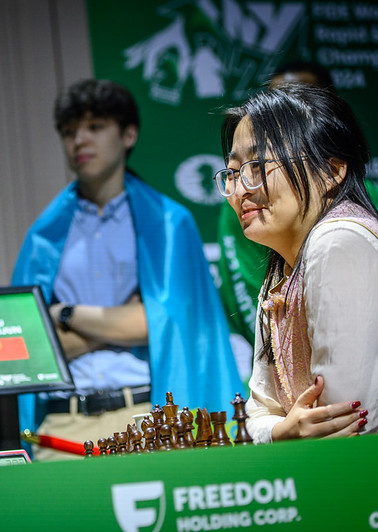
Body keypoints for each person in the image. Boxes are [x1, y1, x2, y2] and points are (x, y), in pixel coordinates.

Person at [12, 79, 242, 460]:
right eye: (69, 132)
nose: (79, 141)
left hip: (148, 419)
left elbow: (171, 325)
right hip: (62, 425)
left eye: (95, 127)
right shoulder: (43, 235)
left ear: (129, 134)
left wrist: (65, 314)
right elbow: (33, 349)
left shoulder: (170, 224)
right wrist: (127, 323)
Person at [215, 83, 378, 443]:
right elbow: (256, 414)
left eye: (257, 167)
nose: (241, 189)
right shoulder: (282, 271)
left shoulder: (338, 241)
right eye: (232, 172)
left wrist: (279, 429)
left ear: (331, 171)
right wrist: (282, 429)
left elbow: (344, 426)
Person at [216, 61, 378, 349]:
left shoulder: (338, 238)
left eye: (299, 100)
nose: (240, 189)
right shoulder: (247, 206)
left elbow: (353, 384)